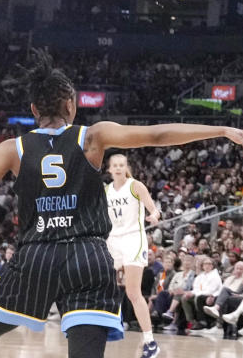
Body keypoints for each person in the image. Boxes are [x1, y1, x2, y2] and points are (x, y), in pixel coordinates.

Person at [0, 49, 243, 358]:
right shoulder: (93, 136)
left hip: (34, 257)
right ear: (71, 103)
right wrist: (222, 129)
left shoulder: (12, 149)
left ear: (34, 108)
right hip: (88, 257)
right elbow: (157, 134)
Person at [105, 153, 161, 357]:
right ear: (109, 169)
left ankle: (150, 341)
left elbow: (154, 209)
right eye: (115, 165)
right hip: (112, 240)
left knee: (133, 293)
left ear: (125, 167)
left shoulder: (135, 186)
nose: (118, 168)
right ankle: (104, 324)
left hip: (133, 239)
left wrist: (154, 216)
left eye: (121, 165)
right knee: (99, 282)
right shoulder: (106, 190)